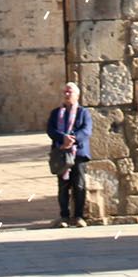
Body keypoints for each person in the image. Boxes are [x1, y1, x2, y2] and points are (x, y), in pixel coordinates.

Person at [46, 81, 92, 227]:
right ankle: (64, 216)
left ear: (77, 95)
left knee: (79, 185)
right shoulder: (56, 113)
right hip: (61, 154)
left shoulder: (83, 113)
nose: (66, 94)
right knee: (63, 185)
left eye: (69, 92)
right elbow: (51, 130)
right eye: (65, 92)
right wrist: (62, 139)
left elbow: (86, 130)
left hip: (78, 154)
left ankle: (78, 216)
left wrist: (72, 139)